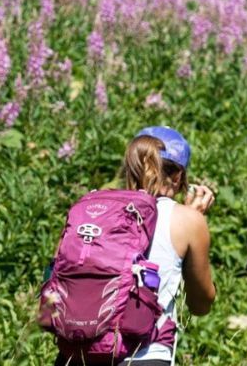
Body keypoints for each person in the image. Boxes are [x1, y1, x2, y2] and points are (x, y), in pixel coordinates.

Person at [55, 126, 216, 366]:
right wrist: (194, 220)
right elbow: (200, 304)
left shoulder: (91, 209)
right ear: (178, 176)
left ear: (131, 166)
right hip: (144, 356)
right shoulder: (188, 220)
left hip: (77, 354)